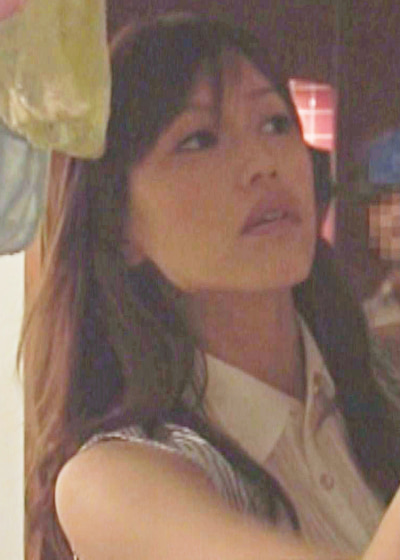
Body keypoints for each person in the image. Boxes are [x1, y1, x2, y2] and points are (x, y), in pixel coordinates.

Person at [21, 13, 400, 560]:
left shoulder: (377, 383)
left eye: (276, 124)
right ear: (118, 223)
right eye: (198, 139)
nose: (263, 163)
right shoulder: (110, 483)